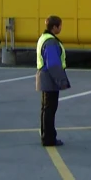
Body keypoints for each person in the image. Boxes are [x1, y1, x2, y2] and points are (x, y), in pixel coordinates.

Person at [36, 15, 71, 147]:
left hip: (44, 77)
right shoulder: (51, 42)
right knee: (50, 109)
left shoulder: (43, 38)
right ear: (54, 27)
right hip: (49, 79)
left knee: (46, 109)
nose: (61, 28)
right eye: (60, 26)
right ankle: (49, 138)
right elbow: (54, 65)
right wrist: (61, 81)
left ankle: (46, 135)